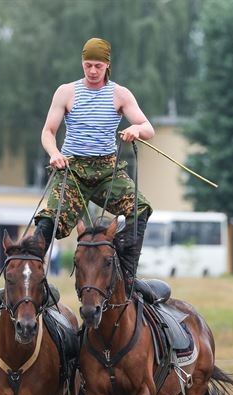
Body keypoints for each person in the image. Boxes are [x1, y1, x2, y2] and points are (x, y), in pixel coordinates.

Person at [34, 37, 155, 286]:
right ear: (82, 62)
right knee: (50, 219)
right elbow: (48, 132)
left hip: (106, 172)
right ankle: (32, 274)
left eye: (97, 66)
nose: (92, 71)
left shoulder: (120, 94)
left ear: (107, 65)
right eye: (87, 64)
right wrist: (54, 153)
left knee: (140, 208)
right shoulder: (66, 92)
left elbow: (148, 128)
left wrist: (135, 129)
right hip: (72, 170)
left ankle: (125, 271)